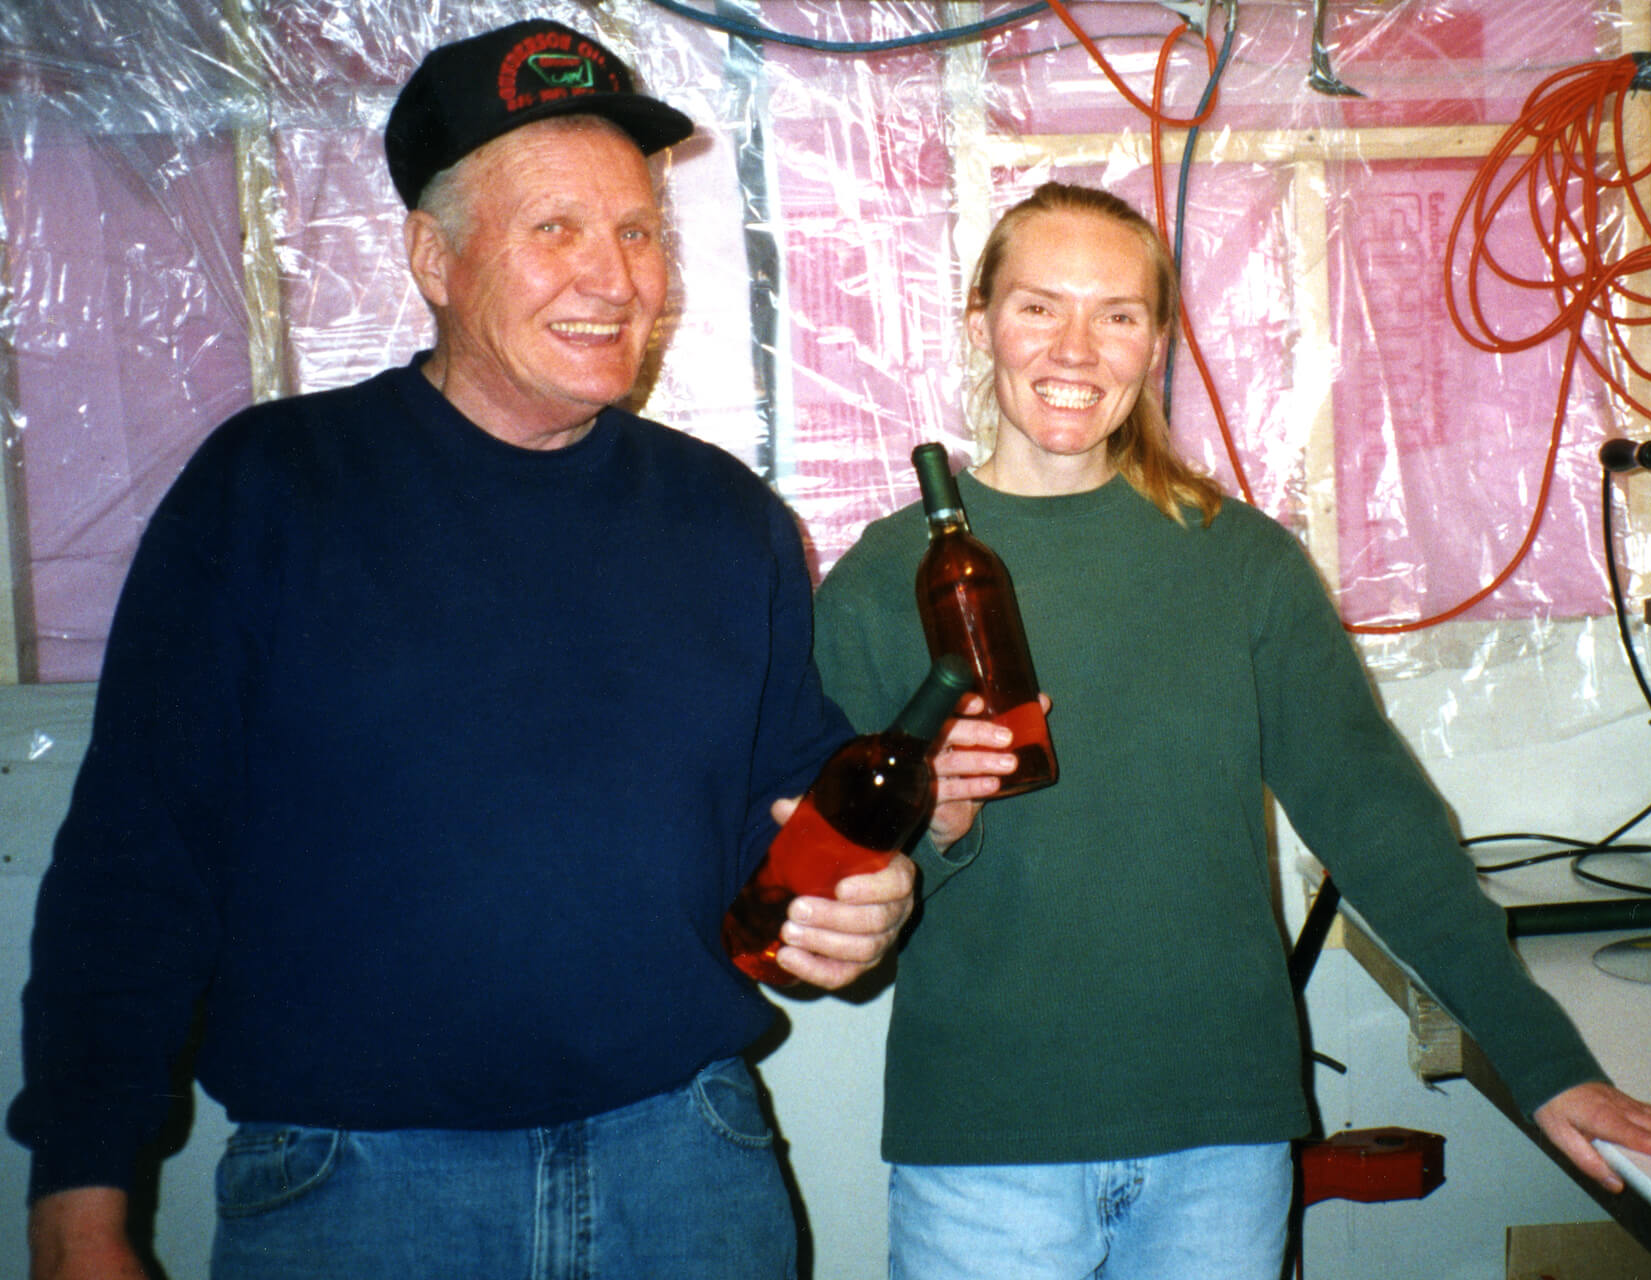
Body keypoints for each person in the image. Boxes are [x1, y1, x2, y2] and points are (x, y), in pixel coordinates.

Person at [7, 20, 986, 1280]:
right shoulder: (272, 490)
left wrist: (860, 907)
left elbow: (779, 816)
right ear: (435, 255)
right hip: (359, 1193)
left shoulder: (728, 520)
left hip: (687, 1168)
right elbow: (135, 860)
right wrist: (78, 1206)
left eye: (638, 230)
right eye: (556, 229)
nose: (615, 276)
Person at [810, 181, 1651, 1279]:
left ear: (1156, 341)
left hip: (1223, 1140)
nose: (1076, 347)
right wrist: (937, 823)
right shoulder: (882, 581)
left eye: (1117, 314)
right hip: (986, 1151)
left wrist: (1546, 1063)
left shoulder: (1237, 562)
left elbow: (1378, 825)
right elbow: (835, 908)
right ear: (981, 324)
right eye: (1037, 306)